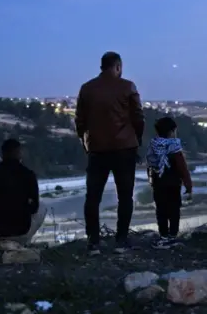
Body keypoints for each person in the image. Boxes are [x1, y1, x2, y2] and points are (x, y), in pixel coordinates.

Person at [75, 51, 145, 255]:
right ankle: (121, 240)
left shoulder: (87, 89)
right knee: (125, 196)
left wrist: (86, 143)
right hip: (125, 148)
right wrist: (136, 139)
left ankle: (93, 241)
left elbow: (80, 121)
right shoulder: (127, 86)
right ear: (117, 66)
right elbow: (138, 117)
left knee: (93, 196)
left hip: (97, 149)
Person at [0, 139, 47, 246]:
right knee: (42, 207)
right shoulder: (27, 174)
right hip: (19, 230)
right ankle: (22, 243)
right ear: (19, 153)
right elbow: (34, 207)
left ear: (2, 154)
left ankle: (6, 242)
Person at [146, 117, 193, 250]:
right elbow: (182, 169)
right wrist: (188, 186)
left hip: (158, 184)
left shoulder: (153, 146)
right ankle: (172, 236)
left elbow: (150, 165)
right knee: (174, 210)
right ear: (172, 131)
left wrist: (151, 181)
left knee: (161, 210)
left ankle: (163, 236)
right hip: (173, 185)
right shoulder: (175, 148)